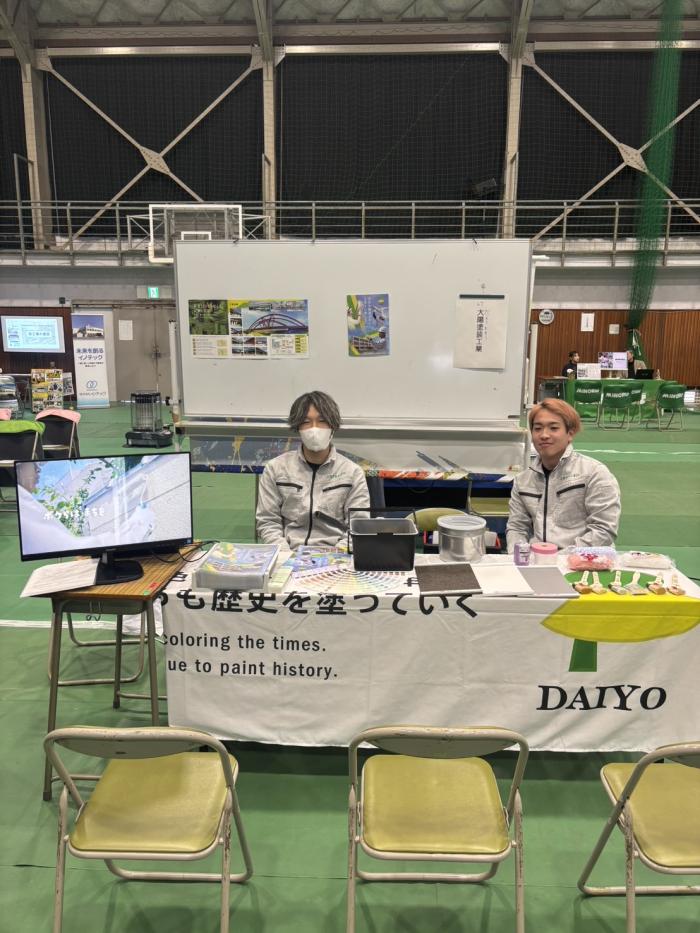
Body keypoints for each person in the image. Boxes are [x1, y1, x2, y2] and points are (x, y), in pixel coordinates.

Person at [256, 390, 370, 549]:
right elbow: (268, 521)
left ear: (333, 426)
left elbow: (358, 525)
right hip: (288, 553)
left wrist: (336, 555)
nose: (314, 429)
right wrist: (284, 554)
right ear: (297, 427)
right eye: (306, 422)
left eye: (322, 421)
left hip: (336, 554)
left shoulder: (352, 472)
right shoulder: (275, 468)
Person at [506, 399, 620, 551]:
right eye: (537, 428)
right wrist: (518, 556)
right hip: (537, 559)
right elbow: (516, 527)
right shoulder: (522, 481)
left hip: (584, 560)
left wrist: (560, 559)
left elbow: (604, 530)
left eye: (553, 428)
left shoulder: (595, 473)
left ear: (570, 434)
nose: (544, 435)